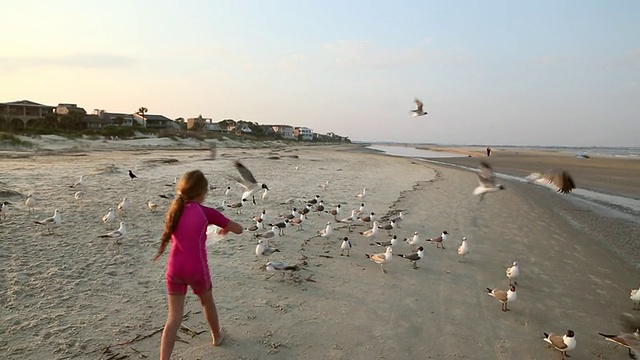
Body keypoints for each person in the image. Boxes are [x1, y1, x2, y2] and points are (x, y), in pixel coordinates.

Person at [154, 170, 243, 359]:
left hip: (174, 269)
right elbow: (239, 229)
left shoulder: (173, 211)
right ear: (203, 192)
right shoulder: (205, 212)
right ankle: (216, 337)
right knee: (207, 302)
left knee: (174, 318)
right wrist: (226, 228)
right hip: (196, 269)